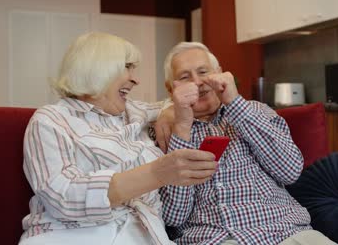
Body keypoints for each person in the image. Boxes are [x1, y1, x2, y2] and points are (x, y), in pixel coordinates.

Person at [19, 32, 218, 245]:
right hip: (72, 236)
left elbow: (172, 102)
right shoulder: (51, 120)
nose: (135, 78)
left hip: (144, 236)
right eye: (128, 67)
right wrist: (156, 173)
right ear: (97, 67)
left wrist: (169, 111)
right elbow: (62, 198)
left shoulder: (135, 112)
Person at [159, 42, 337, 244]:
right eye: (184, 77)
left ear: (219, 73)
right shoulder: (165, 131)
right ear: (170, 89)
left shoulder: (257, 111)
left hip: (285, 231)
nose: (197, 82)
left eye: (203, 72)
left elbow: (290, 171)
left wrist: (235, 103)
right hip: (216, 239)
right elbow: (174, 217)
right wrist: (181, 127)